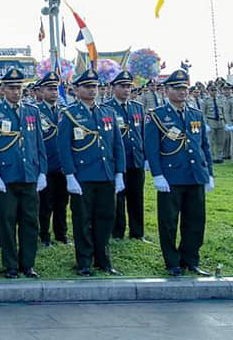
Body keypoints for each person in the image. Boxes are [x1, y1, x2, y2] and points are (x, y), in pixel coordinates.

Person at [144, 69, 214, 276]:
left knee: (195, 221)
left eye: (184, 88)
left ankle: (190, 260)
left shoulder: (195, 114)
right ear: (167, 90)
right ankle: (172, 262)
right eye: (177, 88)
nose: (182, 92)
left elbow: (204, 146)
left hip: (195, 175)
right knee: (169, 223)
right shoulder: (157, 116)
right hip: (171, 177)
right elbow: (152, 148)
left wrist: (209, 173)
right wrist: (157, 175)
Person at [57, 68, 126, 277]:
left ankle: (103, 260)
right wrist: (70, 175)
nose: (92, 90)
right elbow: (64, 148)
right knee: (82, 220)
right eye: (87, 86)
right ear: (77, 89)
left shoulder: (107, 113)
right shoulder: (69, 114)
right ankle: (84, 261)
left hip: (106, 174)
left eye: (95, 86)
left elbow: (117, 145)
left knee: (105, 218)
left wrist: (119, 173)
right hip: (83, 176)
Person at [0, 67, 47, 279]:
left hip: (29, 174)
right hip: (7, 176)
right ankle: (10, 265)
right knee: (7, 223)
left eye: (18, 87)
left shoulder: (32, 111)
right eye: (11, 88)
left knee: (30, 222)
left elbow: (39, 144)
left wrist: (42, 172)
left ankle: (27, 264)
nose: (16, 92)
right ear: (2, 89)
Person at [105, 70, 147, 241]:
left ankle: (137, 233)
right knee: (118, 199)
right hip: (117, 161)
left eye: (129, 86)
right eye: (122, 86)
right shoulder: (107, 108)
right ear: (113, 87)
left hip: (135, 159)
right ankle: (117, 232)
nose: (126, 90)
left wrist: (145, 158)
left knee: (137, 197)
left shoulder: (137, 107)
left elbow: (142, 134)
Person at [36, 72, 69, 246]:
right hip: (45, 164)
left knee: (62, 202)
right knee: (45, 204)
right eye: (50, 89)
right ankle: (44, 236)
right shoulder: (35, 111)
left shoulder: (64, 111)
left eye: (55, 89)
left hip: (62, 164)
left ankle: (61, 235)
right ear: (42, 91)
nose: (54, 92)